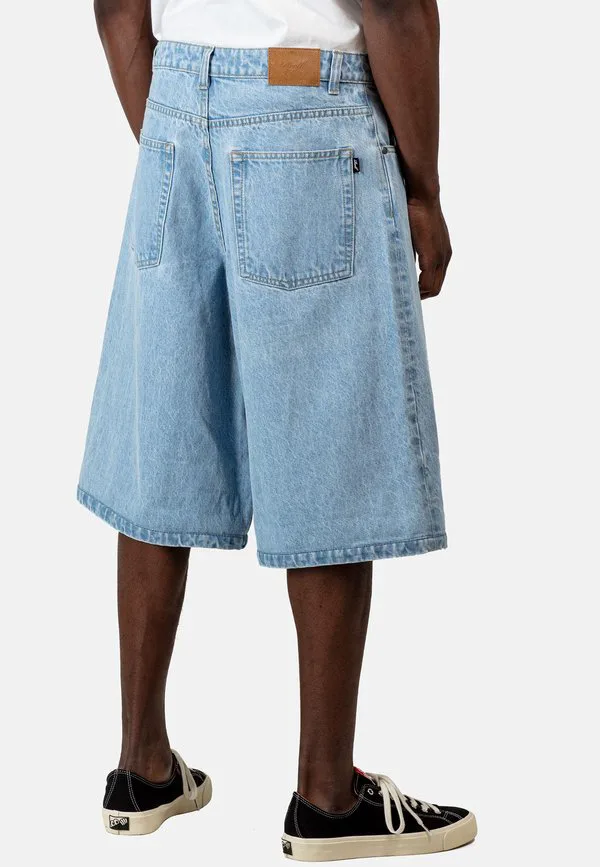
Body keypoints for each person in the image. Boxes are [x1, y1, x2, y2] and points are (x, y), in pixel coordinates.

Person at [80, 0, 476, 858]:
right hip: (305, 113)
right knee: (327, 443)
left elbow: (116, 8)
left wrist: (186, 129)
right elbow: (394, 8)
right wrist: (425, 191)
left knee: (160, 438)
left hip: (173, 108)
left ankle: (142, 767)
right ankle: (328, 798)